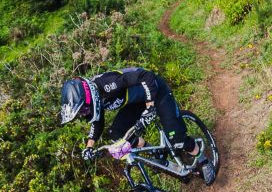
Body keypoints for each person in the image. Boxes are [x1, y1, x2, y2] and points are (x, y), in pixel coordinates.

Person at [59, 66, 217, 185]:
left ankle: (203, 160)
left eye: (83, 109)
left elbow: (145, 75)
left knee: (177, 139)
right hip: (137, 103)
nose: (84, 113)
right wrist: (89, 147)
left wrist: (150, 104)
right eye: (81, 112)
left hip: (156, 92)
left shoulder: (108, 84)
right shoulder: (96, 101)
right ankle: (155, 150)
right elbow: (97, 123)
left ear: (88, 95)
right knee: (116, 134)